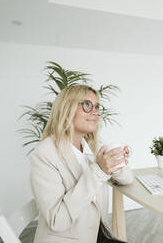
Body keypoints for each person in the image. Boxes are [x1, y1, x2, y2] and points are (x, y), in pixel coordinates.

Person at [30, 85, 133, 243]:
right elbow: (57, 220)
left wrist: (116, 161)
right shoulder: (45, 154)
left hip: (97, 235)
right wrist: (99, 170)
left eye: (97, 106)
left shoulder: (90, 149)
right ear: (66, 109)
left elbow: (127, 179)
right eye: (86, 105)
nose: (95, 112)